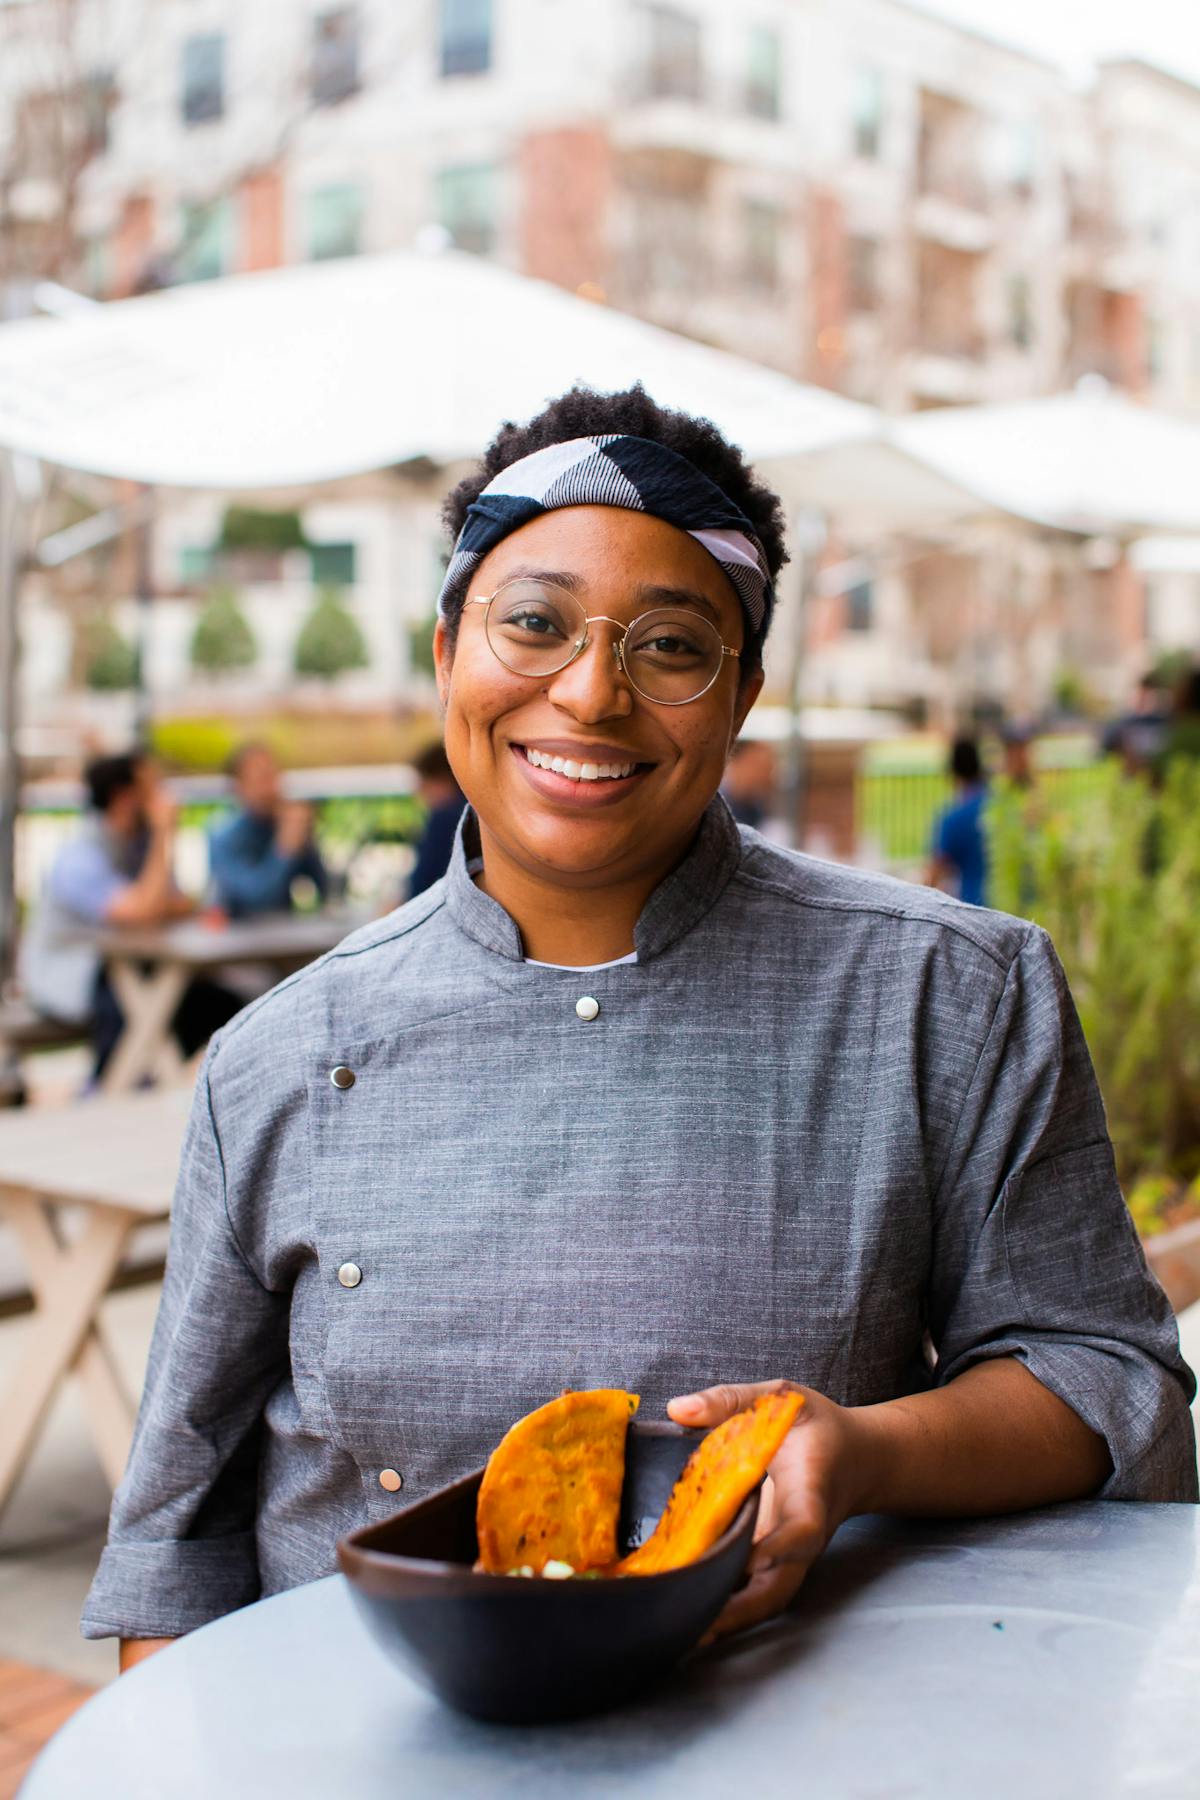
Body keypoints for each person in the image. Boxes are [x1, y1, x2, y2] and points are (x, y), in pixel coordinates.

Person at [85, 386, 1194, 1675]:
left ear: (743, 693)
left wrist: (864, 1449)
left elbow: (1103, 1378)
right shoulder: (277, 1055)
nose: (592, 693)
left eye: (671, 645)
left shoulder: (953, 994)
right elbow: (177, 1539)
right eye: (535, 623)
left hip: (795, 1732)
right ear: (447, 651)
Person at [21, 751, 241, 1079]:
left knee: (223, 1004)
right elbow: (143, 911)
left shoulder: (136, 845)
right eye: (153, 788)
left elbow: (177, 904)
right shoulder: (79, 855)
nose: (165, 798)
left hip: (129, 970)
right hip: (71, 975)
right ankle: (108, 1089)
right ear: (125, 798)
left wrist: (158, 855)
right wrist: (164, 833)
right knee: (138, 1009)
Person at [208, 744, 328, 917]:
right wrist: (284, 848)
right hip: (237, 938)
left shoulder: (282, 824)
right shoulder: (223, 836)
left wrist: (307, 839)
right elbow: (257, 901)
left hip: (283, 937)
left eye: (274, 776)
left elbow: (326, 890)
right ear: (239, 787)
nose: (272, 787)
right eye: (261, 778)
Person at [926, 736, 988, 906]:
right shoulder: (1000, 805)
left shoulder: (953, 818)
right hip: (1012, 905)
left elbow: (933, 876)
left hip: (973, 908)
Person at [406, 741, 465, 898]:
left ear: (442, 780)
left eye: (424, 782)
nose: (419, 792)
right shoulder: (479, 812)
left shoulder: (444, 819)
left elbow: (421, 884)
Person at [721, 736, 779, 831]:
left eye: (769, 770)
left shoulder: (756, 808)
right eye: (761, 768)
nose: (767, 777)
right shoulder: (715, 801)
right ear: (738, 763)